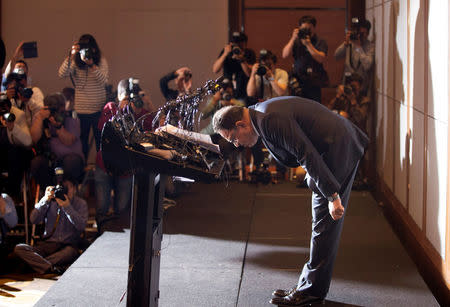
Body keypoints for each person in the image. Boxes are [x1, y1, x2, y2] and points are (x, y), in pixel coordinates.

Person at [212, 97, 368, 305]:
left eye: (233, 139)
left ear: (241, 124)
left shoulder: (268, 119)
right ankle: (309, 286)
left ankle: (311, 291)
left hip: (338, 148)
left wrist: (333, 196)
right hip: (332, 146)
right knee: (321, 222)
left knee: (323, 223)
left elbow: (306, 153)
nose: (237, 144)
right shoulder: (260, 116)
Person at [95, 78, 154, 232]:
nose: (130, 102)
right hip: (105, 164)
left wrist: (145, 105)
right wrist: (121, 111)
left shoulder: (139, 112)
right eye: (127, 98)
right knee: (102, 206)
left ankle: (116, 235)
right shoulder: (111, 107)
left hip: (126, 167)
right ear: (119, 96)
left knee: (122, 208)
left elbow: (153, 127)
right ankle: (100, 233)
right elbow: (103, 126)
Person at [14, 178, 88, 274]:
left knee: (69, 253)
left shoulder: (80, 204)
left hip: (67, 246)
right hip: (47, 244)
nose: (64, 191)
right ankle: (48, 266)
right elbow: (33, 219)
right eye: (61, 188)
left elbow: (81, 226)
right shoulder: (50, 202)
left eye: (67, 188)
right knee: (19, 248)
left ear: (74, 188)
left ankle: (37, 264)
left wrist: (67, 207)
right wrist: (45, 199)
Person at [58, 34, 109, 160]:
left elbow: (104, 81)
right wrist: (71, 55)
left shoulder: (101, 60)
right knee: (82, 144)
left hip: (98, 110)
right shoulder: (75, 61)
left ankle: (100, 172)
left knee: (100, 144)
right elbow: (61, 74)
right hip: (81, 110)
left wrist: (92, 65)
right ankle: (81, 171)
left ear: (94, 49)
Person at [30, 93, 84, 188]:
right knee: (37, 163)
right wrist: (39, 119)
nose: (56, 112)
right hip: (50, 158)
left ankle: (66, 192)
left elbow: (69, 141)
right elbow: (34, 138)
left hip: (71, 158)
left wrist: (58, 126)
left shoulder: (71, 116)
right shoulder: (41, 116)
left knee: (71, 162)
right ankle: (48, 193)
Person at [282, 15, 329, 103]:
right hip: (298, 81)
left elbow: (321, 58)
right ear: (299, 28)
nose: (306, 31)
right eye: (304, 28)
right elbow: (284, 55)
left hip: (314, 81)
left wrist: (308, 44)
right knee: (297, 107)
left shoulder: (320, 41)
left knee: (314, 108)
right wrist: (293, 39)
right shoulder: (296, 41)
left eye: (309, 28)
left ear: (314, 28)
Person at [0, 93, 32, 200]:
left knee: (15, 153)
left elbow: (28, 141)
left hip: (14, 156)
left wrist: (12, 127)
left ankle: (11, 195)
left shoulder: (18, 115)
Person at [334, 19, 374, 96]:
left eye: (363, 34)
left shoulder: (370, 47)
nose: (360, 36)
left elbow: (367, 65)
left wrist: (359, 47)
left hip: (361, 87)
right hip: (346, 84)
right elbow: (336, 56)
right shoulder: (350, 43)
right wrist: (345, 44)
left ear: (368, 33)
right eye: (358, 33)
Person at [212, 31, 252, 101]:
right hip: (227, 90)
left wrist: (241, 59)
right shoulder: (226, 52)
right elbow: (215, 70)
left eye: (239, 43)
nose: (236, 45)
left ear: (244, 44)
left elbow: (249, 74)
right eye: (234, 43)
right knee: (213, 101)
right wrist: (225, 54)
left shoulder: (248, 53)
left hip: (243, 92)